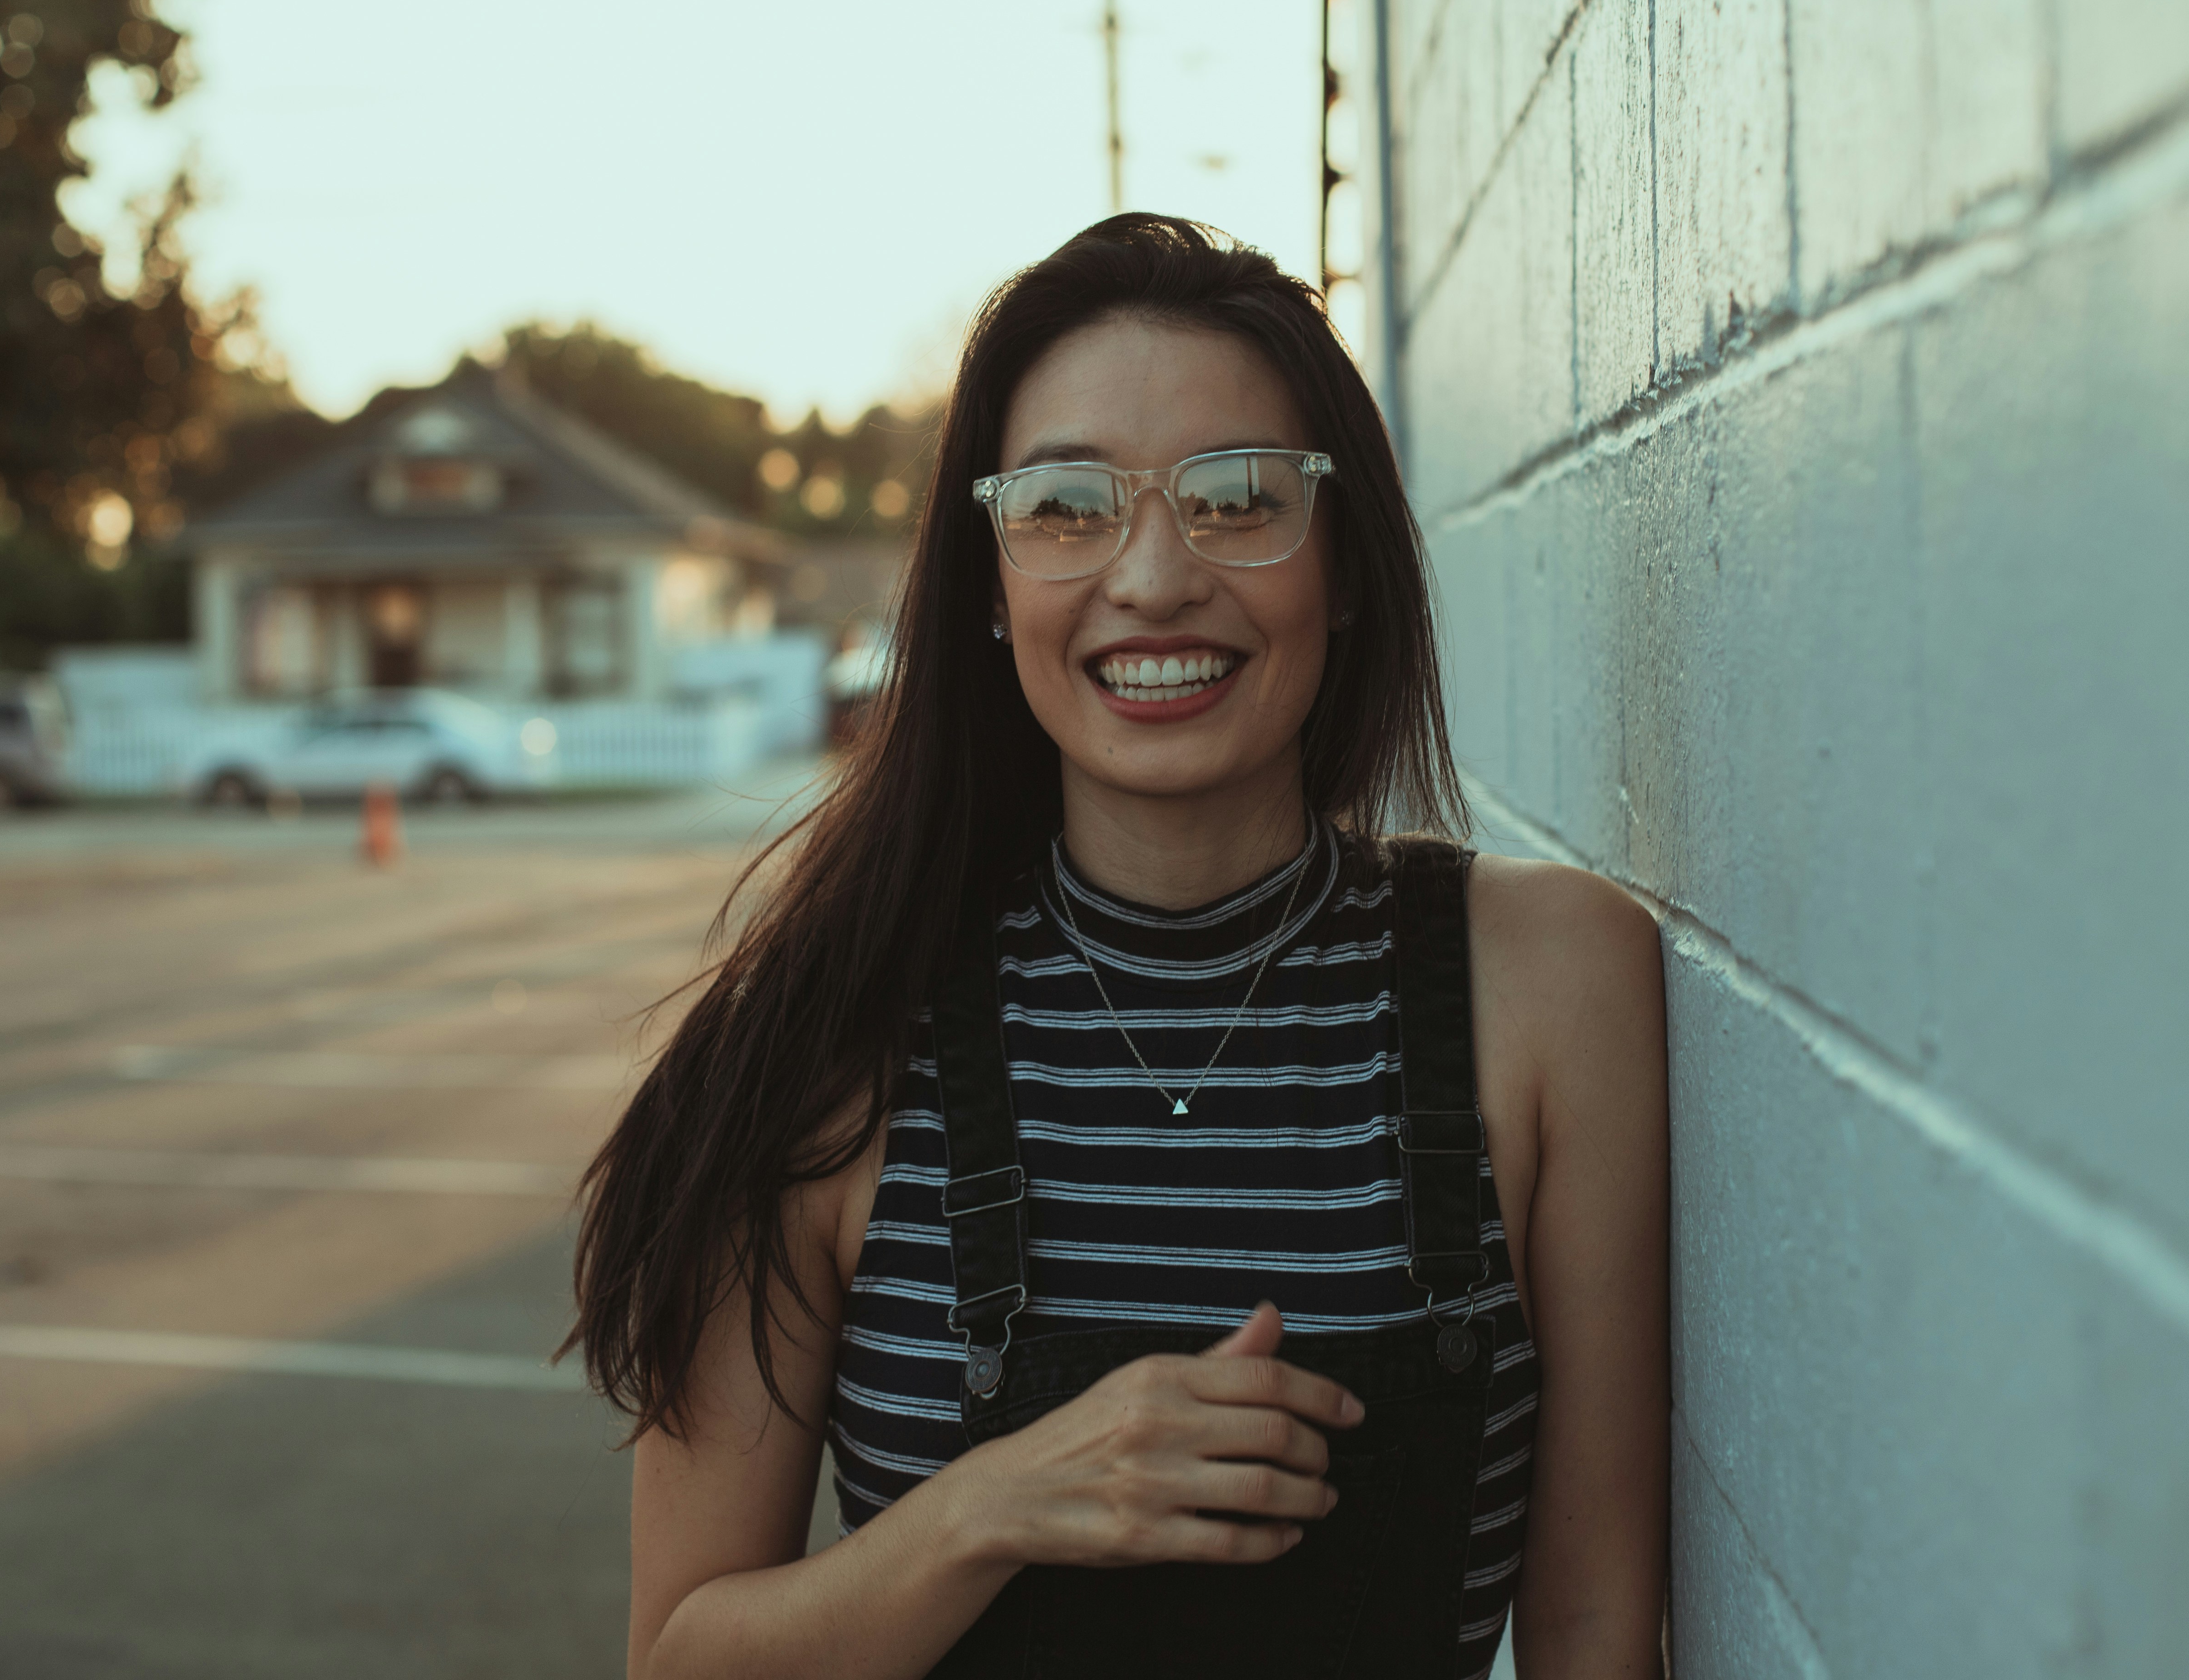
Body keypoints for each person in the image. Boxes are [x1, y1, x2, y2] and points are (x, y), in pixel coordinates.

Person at [570, 215, 1668, 1679]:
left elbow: (1599, 1633)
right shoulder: (832, 1036)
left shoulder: (1547, 986)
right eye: (1068, 506)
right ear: (992, 582)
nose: (1152, 579)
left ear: (1342, 565)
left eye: (1234, 498)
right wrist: (992, 1507)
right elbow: (682, 1657)